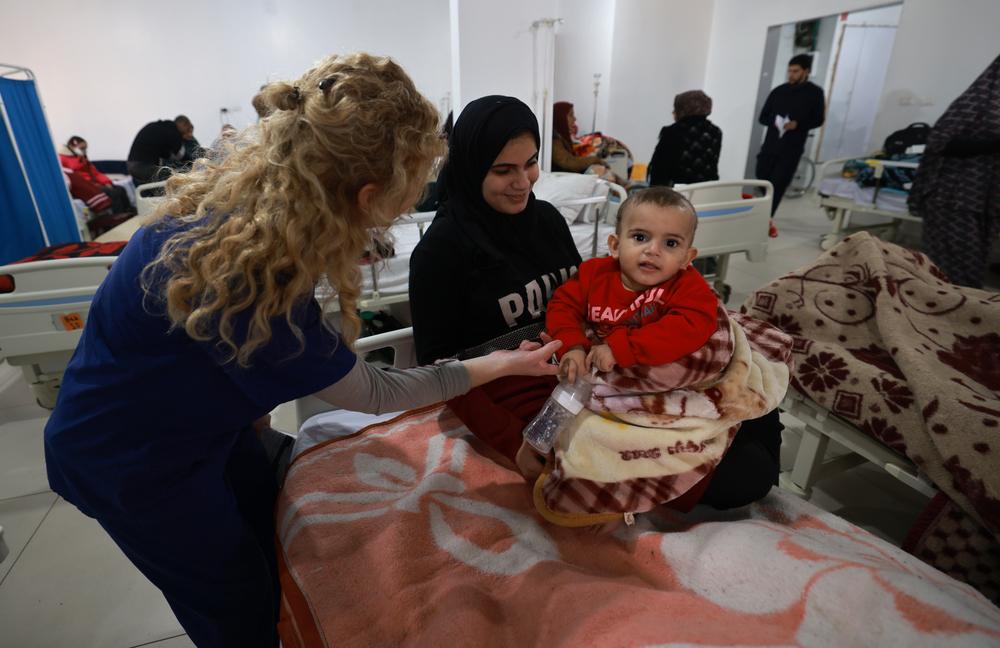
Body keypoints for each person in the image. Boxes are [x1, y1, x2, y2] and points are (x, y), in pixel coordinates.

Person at [44, 55, 560, 648]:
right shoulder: (249, 282)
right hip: (131, 462)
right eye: (410, 187)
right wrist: (498, 364)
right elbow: (374, 392)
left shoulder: (238, 208)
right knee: (238, 602)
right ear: (366, 196)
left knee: (278, 524)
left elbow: (191, 357)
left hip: (187, 423)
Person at [410, 95, 784, 511]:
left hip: (590, 365)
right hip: (519, 391)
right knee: (745, 475)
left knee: (750, 388)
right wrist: (515, 440)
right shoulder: (441, 253)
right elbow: (439, 371)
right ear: (472, 167)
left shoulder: (546, 221)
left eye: (530, 162)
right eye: (503, 170)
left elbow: (586, 295)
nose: (523, 181)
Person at [546, 186, 717, 382]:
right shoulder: (593, 274)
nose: (653, 250)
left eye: (670, 243)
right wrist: (573, 347)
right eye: (640, 237)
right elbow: (562, 306)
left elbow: (691, 328)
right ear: (615, 246)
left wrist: (620, 348)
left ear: (686, 258)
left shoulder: (687, 285)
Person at [909, 54, 1000, 289]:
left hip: (985, 203)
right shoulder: (979, 100)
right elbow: (941, 141)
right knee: (948, 272)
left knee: (971, 271)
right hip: (954, 197)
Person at [755, 54, 826, 216]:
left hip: (791, 148)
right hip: (770, 145)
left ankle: (766, 219)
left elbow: (818, 119)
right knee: (762, 177)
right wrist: (774, 121)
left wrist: (798, 125)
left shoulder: (815, 93)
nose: (791, 74)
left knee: (778, 183)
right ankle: (760, 215)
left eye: (795, 71)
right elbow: (763, 117)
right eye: (789, 71)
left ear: (806, 71)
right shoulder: (779, 91)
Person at [648, 91, 721, 187]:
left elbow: (658, 171)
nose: (673, 112)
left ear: (682, 109)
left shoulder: (672, 131)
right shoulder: (716, 132)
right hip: (707, 193)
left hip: (676, 195)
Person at [58, 136, 133, 215]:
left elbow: (95, 173)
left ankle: (128, 211)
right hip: (85, 186)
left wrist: (107, 182)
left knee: (120, 189)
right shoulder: (62, 159)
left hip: (93, 183)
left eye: (85, 148)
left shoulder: (81, 157)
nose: (84, 150)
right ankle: (118, 215)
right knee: (111, 192)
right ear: (73, 146)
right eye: (82, 148)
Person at [551, 101, 617, 180]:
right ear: (560, 117)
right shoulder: (554, 140)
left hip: (568, 177)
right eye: (571, 115)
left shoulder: (562, 137)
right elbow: (568, 162)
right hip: (563, 179)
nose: (575, 119)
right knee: (603, 173)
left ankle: (625, 185)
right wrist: (595, 160)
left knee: (605, 174)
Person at [126, 115, 196, 186]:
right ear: (184, 125)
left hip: (133, 165)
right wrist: (195, 163)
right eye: (188, 130)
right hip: (141, 165)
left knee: (157, 184)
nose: (189, 135)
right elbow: (181, 154)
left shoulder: (163, 128)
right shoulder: (173, 130)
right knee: (171, 178)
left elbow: (166, 153)